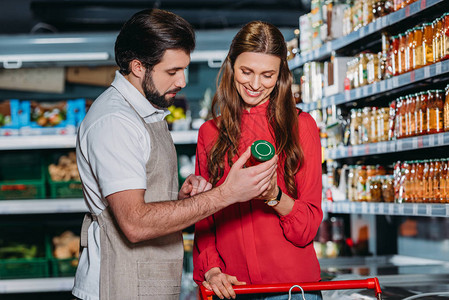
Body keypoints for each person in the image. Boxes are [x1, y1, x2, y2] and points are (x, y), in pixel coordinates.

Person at [72, 9, 278, 300]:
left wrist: (180, 199)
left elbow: (144, 202)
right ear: (138, 67)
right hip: (118, 286)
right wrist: (226, 193)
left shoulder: (147, 111)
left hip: (144, 283)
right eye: (172, 72)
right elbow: (135, 222)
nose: (182, 81)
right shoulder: (116, 122)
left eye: (184, 69)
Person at [193, 21, 323, 300]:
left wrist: (274, 195)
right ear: (231, 66)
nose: (254, 84)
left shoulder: (302, 126)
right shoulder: (209, 133)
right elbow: (204, 217)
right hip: (231, 288)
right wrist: (212, 269)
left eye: (267, 75)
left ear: (280, 76)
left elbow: (308, 228)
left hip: (291, 290)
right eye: (246, 71)